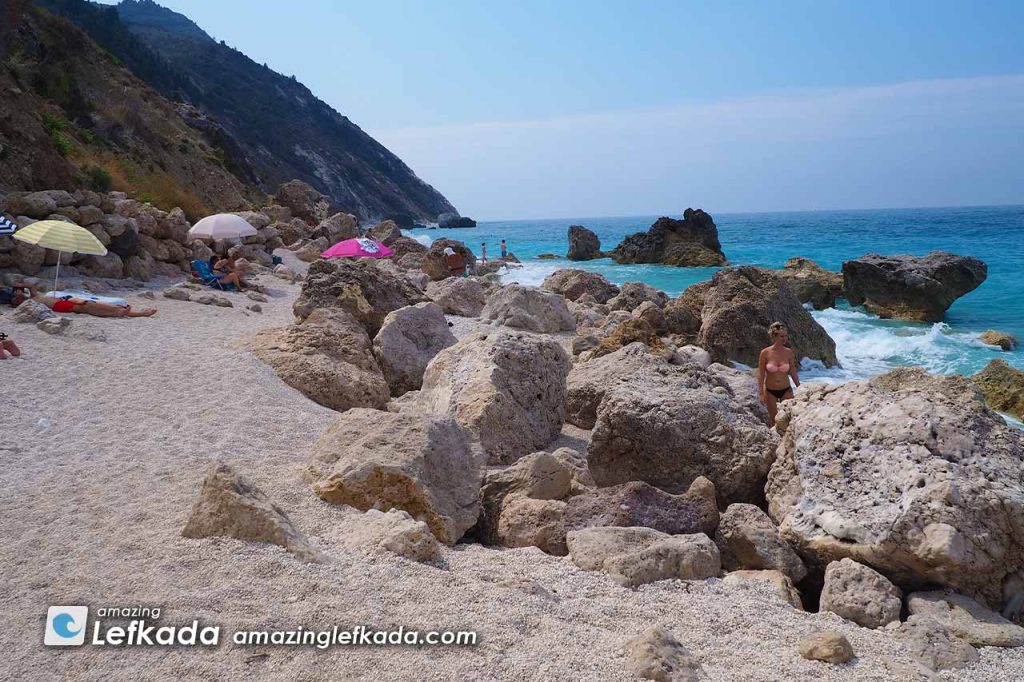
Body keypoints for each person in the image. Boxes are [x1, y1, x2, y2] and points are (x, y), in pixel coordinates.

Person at [758, 321, 800, 427]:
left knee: (788, 420)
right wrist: (761, 393)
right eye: (781, 336)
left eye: (786, 336)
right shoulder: (765, 353)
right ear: (774, 336)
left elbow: (792, 371)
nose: (784, 339)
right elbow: (761, 374)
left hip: (786, 389)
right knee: (773, 420)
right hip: (770, 391)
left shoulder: (789, 352)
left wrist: (800, 388)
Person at [26, 295, 156, 318]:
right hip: (59, 305)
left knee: (89, 304)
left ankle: (140, 313)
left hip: (62, 301)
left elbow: (31, 287)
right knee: (85, 307)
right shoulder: (28, 302)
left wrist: (22, 286)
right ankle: (115, 312)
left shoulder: (33, 296)